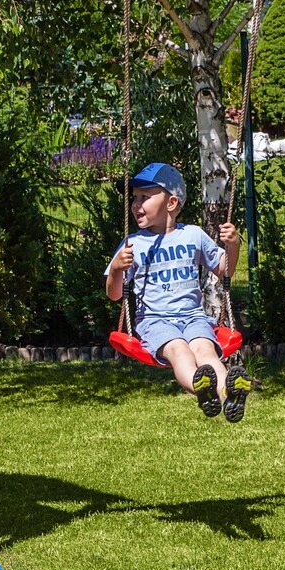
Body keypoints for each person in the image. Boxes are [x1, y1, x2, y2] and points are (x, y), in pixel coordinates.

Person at [104, 163, 251, 422]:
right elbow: (114, 295)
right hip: (155, 321)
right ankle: (201, 389)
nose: (136, 204)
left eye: (144, 197)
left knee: (206, 350)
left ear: (171, 203)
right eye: (134, 198)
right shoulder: (133, 245)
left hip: (195, 317)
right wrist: (116, 269)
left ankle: (230, 391)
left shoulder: (193, 235)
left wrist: (234, 245)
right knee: (179, 350)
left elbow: (223, 271)